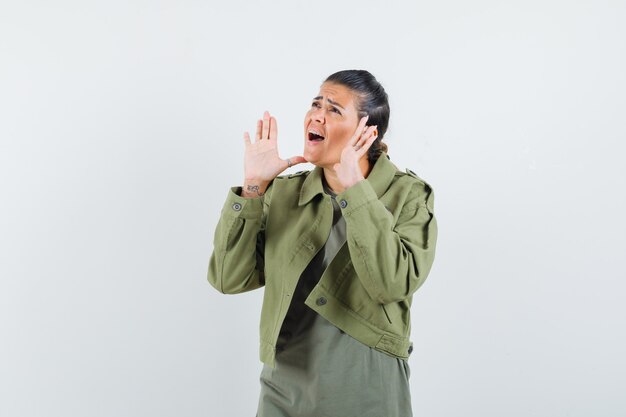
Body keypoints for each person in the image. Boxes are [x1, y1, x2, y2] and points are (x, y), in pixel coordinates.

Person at [207, 69, 438, 417]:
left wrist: (356, 192)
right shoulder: (284, 191)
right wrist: (253, 187)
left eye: (333, 109)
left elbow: (393, 283)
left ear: (366, 133)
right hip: (281, 388)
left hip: (364, 389)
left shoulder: (408, 196)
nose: (316, 115)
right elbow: (228, 278)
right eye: (316, 104)